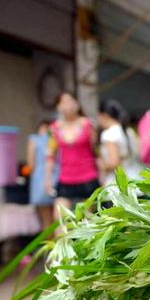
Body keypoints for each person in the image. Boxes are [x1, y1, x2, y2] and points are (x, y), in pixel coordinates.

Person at [45, 91, 98, 219]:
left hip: (88, 178)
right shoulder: (53, 128)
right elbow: (50, 155)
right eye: (63, 102)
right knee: (60, 219)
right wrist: (47, 179)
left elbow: (96, 151)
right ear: (58, 107)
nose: (67, 105)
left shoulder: (87, 124)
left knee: (87, 221)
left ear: (77, 104)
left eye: (70, 101)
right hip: (65, 179)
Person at [97, 99, 142, 186]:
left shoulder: (108, 134)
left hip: (118, 183)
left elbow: (114, 162)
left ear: (104, 116)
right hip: (135, 177)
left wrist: (102, 165)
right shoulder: (128, 130)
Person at [26, 120, 56, 230]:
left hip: (40, 180)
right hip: (57, 177)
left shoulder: (34, 140)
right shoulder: (56, 139)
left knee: (45, 217)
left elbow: (31, 164)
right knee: (57, 217)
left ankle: (49, 246)